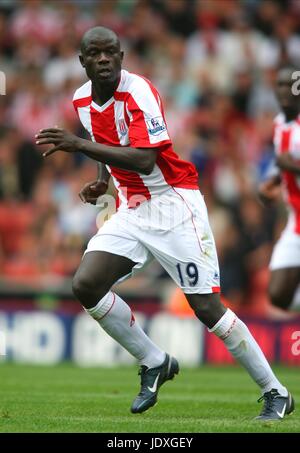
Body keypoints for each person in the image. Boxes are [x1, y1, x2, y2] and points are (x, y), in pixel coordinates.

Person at [36, 26, 294, 420]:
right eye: (95, 53)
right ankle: (154, 360)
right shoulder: (82, 100)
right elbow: (107, 139)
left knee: (206, 307)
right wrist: (103, 183)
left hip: (174, 204)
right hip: (133, 206)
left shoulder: (139, 92)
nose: (104, 59)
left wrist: (78, 145)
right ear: (82, 61)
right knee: (86, 284)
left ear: (122, 56)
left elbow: (143, 159)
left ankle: (276, 392)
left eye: (111, 52)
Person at [259, 66, 300, 312]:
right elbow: (280, 166)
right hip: (295, 222)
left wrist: (294, 167)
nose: (285, 91)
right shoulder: (279, 125)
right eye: (280, 85)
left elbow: (289, 162)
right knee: (278, 296)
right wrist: (270, 186)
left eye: (291, 85)